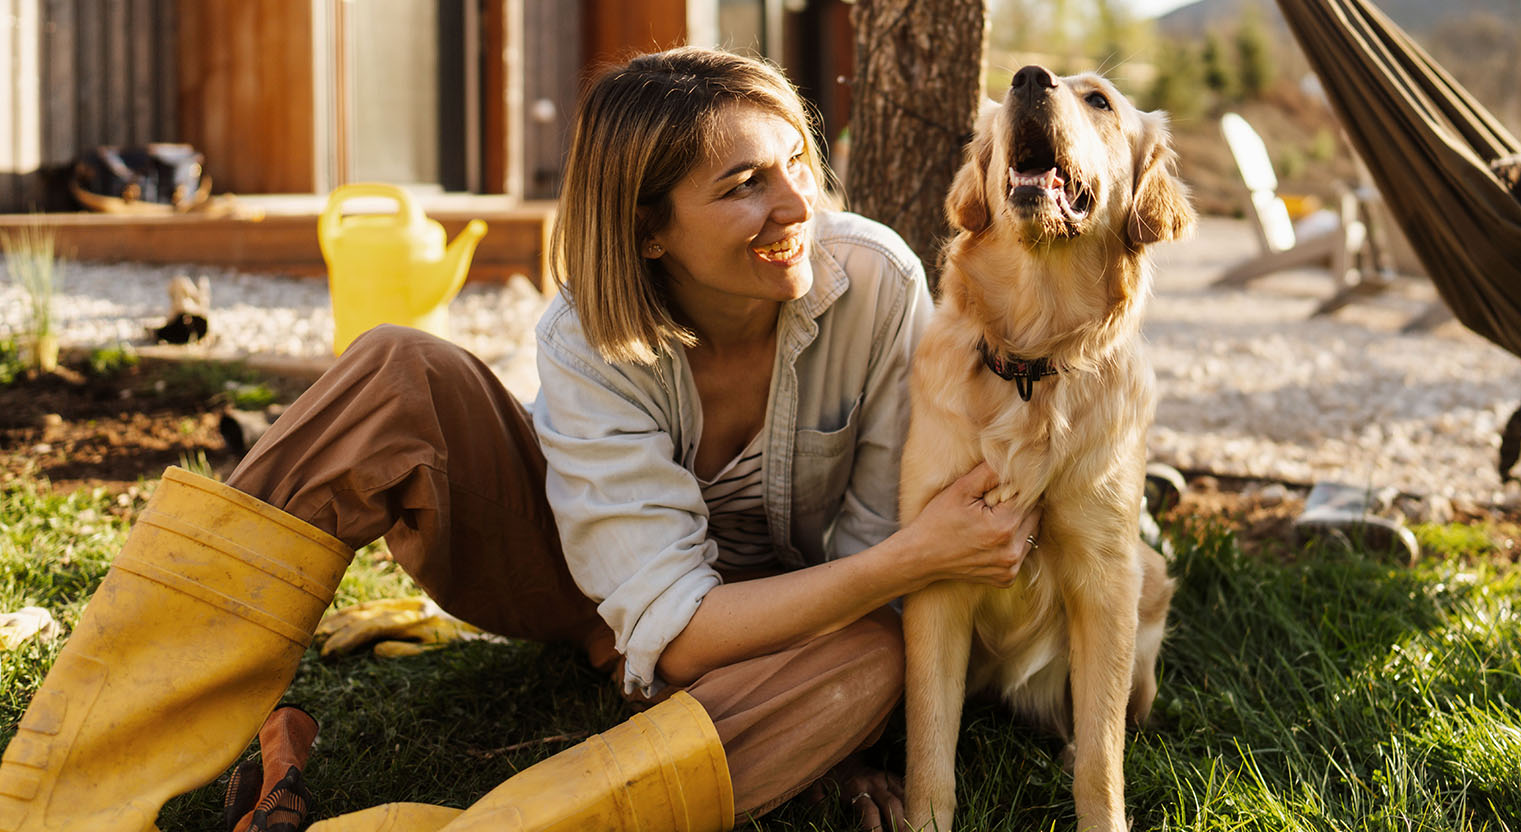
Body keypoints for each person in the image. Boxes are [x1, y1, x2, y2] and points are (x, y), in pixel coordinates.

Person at [0, 48, 1038, 832]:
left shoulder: (879, 284)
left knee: (869, 659)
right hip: (577, 584)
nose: (796, 204)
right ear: (647, 230)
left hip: (795, 631)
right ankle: (68, 793)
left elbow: (867, 561)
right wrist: (914, 559)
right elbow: (676, 622)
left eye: (799, 162)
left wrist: (893, 572)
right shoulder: (587, 331)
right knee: (395, 367)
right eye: (742, 185)